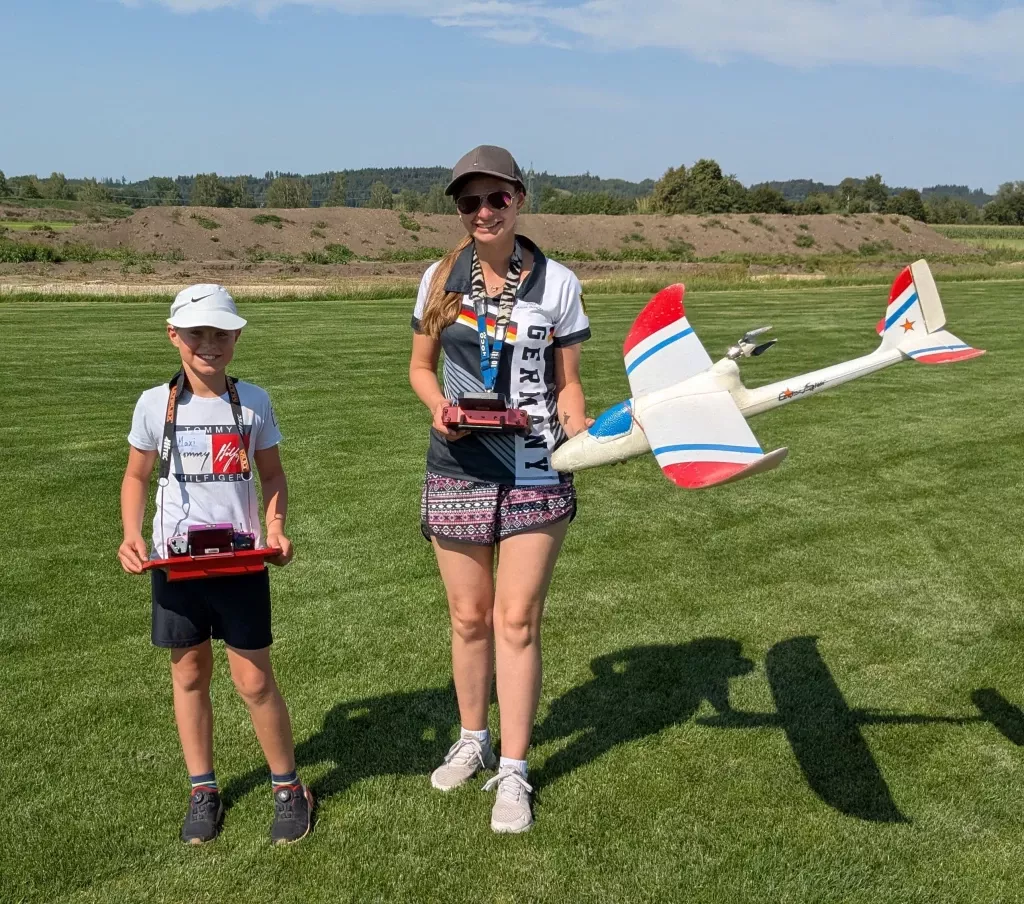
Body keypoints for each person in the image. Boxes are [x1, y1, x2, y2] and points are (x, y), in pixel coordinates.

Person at [409, 146, 592, 833]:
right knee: (467, 617)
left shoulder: (558, 283)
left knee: (516, 618)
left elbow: (569, 381)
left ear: (520, 198)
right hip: (456, 464)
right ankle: (472, 741)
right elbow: (420, 367)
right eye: (469, 202)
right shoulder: (438, 277)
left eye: (496, 199)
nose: (483, 212)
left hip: (535, 464)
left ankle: (513, 770)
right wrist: (437, 407)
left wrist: (578, 429)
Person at [117, 285, 313, 845]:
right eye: (197, 332)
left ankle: (288, 787)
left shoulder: (253, 400)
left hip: (241, 560)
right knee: (188, 673)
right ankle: (202, 789)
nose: (210, 343)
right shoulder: (154, 403)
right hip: (176, 565)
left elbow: (271, 475)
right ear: (173, 334)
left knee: (254, 679)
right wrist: (132, 536)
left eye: (221, 332)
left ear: (237, 336)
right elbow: (135, 476)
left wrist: (274, 528)